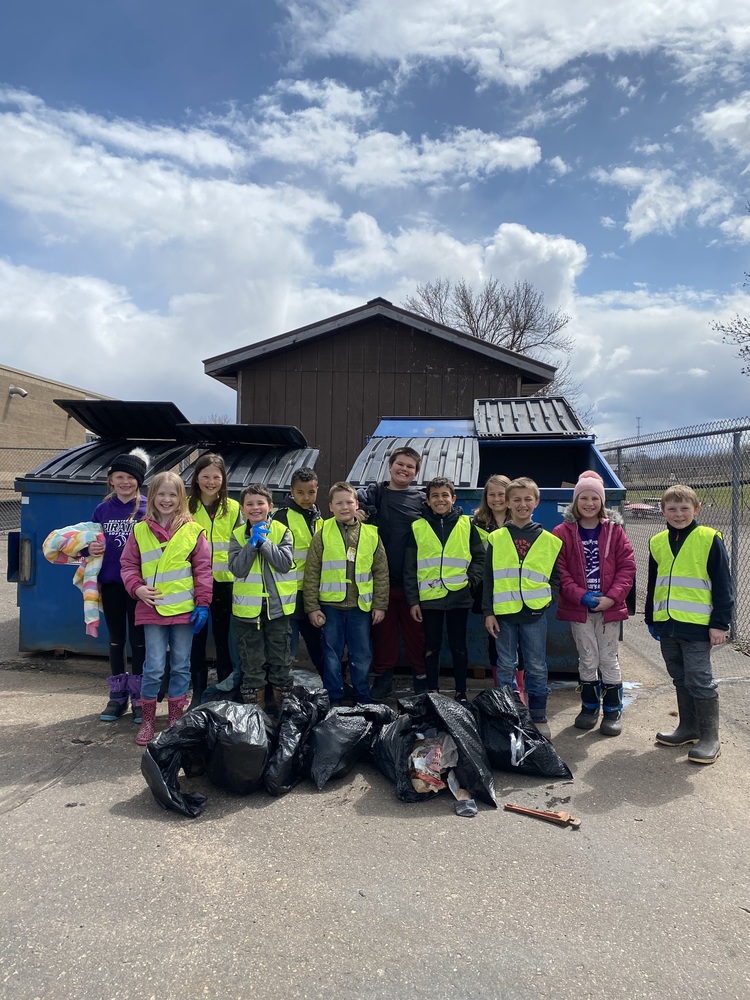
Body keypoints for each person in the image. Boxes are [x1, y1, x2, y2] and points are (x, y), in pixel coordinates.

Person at [120, 471, 212, 746]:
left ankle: (174, 720)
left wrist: (203, 604)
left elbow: (203, 570)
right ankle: (148, 720)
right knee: (154, 667)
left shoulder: (193, 530)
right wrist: (136, 588)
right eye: (161, 494)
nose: (167, 499)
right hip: (153, 608)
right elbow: (128, 565)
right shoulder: (139, 530)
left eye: (173, 494)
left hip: (184, 610)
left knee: (181, 665)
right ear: (152, 497)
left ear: (181, 498)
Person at [645, 484, 733, 765]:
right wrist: (651, 618)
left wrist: (720, 623)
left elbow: (723, 584)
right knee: (679, 676)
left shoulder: (708, 539)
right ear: (663, 511)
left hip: (697, 626)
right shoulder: (657, 542)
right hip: (667, 625)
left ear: (696, 509)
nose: (678, 514)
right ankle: (688, 728)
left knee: (699, 679)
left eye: (685, 508)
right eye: (672, 509)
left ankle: (710, 738)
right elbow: (653, 583)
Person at [553, 471, 636, 736]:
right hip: (580, 608)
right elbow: (560, 570)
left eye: (594, 498)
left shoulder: (615, 531)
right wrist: (580, 595)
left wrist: (612, 597)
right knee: (587, 658)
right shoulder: (562, 532)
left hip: (609, 608)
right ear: (575, 501)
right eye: (583, 498)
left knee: (608, 658)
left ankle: (612, 711)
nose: (589, 503)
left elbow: (627, 567)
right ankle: (589, 707)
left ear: (602, 502)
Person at [483, 477, 561, 739]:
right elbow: (489, 578)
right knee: (506, 665)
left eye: (528, 499)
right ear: (507, 503)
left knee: (537, 666)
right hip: (504, 614)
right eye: (516, 499)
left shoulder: (549, 540)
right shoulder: (497, 538)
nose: (522, 504)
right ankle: (510, 715)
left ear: (536, 502)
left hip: (535, 614)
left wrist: (549, 598)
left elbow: (556, 576)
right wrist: (488, 612)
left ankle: (538, 716)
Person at [304, 482, 389, 706]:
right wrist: (312, 607)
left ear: (357, 504)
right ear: (330, 507)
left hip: (360, 608)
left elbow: (381, 572)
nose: (344, 507)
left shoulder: (371, 534)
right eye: (339, 503)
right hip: (330, 607)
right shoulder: (322, 534)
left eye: (349, 502)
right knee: (331, 655)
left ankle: (362, 697)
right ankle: (334, 698)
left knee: (361, 655)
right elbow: (311, 572)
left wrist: (380, 605)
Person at [403, 477, 484, 704]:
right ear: (428, 501)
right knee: (431, 647)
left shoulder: (466, 524)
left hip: (459, 595)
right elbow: (410, 567)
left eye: (445, 495)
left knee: (459, 647)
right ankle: (433, 692)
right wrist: (413, 601)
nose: (440, 500)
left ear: (453, 498)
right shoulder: (417, 527)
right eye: (435, 496)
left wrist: (471, 581)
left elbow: (480, 557)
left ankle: (461, 693)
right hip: (429, 599)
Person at [356, 447, 426, 699]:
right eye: (400, 464)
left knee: (417, 634)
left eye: (410, 466)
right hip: (380, 580)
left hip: (413, 582)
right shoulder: (374, 494)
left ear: (416, 472)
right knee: (383, 635)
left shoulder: (422, 500)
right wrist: (359, 511)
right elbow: (351, 500)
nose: (404, 469)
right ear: (390, 465)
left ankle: (421, 678)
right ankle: (383, 679)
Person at [87, 448, 149, 725]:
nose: (125, 482)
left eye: (130, 477)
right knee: (115, 638)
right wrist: (89, 548)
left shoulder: (147, 509)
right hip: (110, 584)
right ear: (111, 480)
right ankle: (117, 695)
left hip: (138, 587)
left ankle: (139, 696)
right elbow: (87, 542)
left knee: (139, 640)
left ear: (139, 481)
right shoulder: (102, 509)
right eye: (119, 477)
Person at [228, 483, 295, 712]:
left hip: (277, 610)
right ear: (242, 509)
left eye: (260, 503)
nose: (255, 508)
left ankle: (283, 714)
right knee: (251, 663)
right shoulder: (237, 535)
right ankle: (255, 715)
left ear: (270, 506)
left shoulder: (282, 531)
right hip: (248, 613)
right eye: (249, 504)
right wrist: (251, 544)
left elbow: (284, 563)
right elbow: (237, 569)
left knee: (281, 661)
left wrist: (264, 542)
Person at [187, 453, 242, 707]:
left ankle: (224, 690)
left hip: (225, 583)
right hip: (192, 584)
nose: (211, 482)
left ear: (223, 479)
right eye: (205, 476)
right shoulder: (185, 507)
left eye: (216, 477)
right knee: (196, 639)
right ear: (197, 478)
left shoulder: (234, 508)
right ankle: (198, 692)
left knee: (224, 640)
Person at [271, 467, 324, 674]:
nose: (306, 497)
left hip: (313, 594)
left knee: (318, 644)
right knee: (287, 647)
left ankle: (330, 683)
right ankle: (283, 686)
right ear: (291, 492)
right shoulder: (281, 517)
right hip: (289, 594)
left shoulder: (320, 520)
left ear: (317, 490)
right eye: (300, 492)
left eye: (311, 492)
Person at [471, 474, 512, 671]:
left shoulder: (520, 520)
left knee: (519, 640)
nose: (496, 499)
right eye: (491, 494)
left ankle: (519, 684)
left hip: (515, 589)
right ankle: (500, 683)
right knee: (494, 637)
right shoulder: (476, 523)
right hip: (488, 590)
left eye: (501, 494)